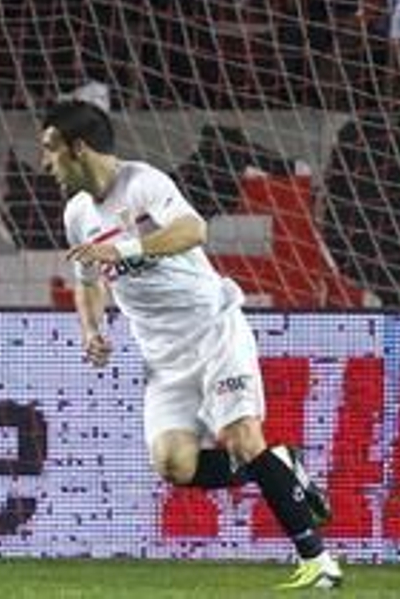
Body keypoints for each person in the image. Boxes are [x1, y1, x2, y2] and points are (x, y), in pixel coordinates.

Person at [36, 100, 342, 589]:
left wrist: (125, 248)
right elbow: (88, 279)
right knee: (176, 465)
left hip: (212, 328)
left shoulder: (143, 183)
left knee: (242, 436)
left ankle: (318, 561)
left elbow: (193, 229)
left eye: (51, 151)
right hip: (163, 355)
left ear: (79, 147)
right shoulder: (77, 213)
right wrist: (92, 330)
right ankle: (282, 466)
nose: (44, 164)